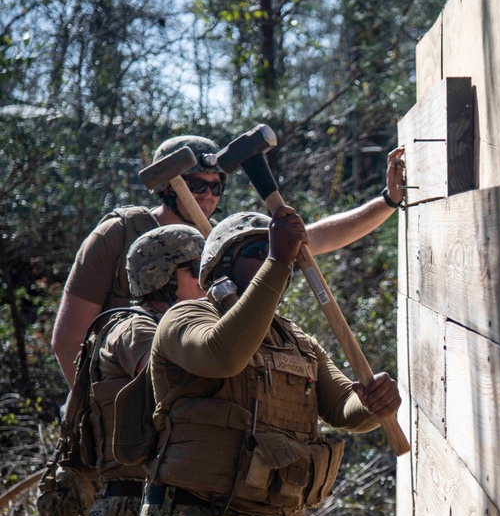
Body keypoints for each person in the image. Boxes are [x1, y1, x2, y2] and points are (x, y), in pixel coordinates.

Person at [113, 208, 401, 516]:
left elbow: (345, 409)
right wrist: (279, 260)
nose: (273, 256)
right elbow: (223, 354)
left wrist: (376, 404)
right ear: (222, 265)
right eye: (257, 250)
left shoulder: (297, 341)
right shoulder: (186, 317)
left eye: (274, 250)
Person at [51, 140, 406, 384]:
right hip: (123, 393)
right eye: (195, 186)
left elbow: (315, 238)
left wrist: (388, 201)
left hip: (194, 395)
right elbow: (68, 342)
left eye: (215, 186)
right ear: (168, 186)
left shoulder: (220, 241)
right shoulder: (120, 232)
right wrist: (96, 416)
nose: (206, 195)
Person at [63, 225, 205, 516]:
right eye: (195, 269)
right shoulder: (136, 329)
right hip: (129, 508)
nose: (205, 279)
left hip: (148, 504)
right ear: (162, 277)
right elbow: (177, 379)